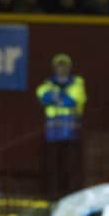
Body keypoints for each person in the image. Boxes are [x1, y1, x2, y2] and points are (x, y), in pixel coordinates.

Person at [36, 53, 87, 199]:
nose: (61, 69)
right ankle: (52, 195)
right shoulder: (47, 84)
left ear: (69, 67)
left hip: (71, 134)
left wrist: (56, 98)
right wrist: (61, 98)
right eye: (59, 65)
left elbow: (72, 100)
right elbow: (43, 96)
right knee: (52, 167)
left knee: (71, 167)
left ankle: (71, 195)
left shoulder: (77, 82)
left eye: (64, 65)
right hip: (52, 135)